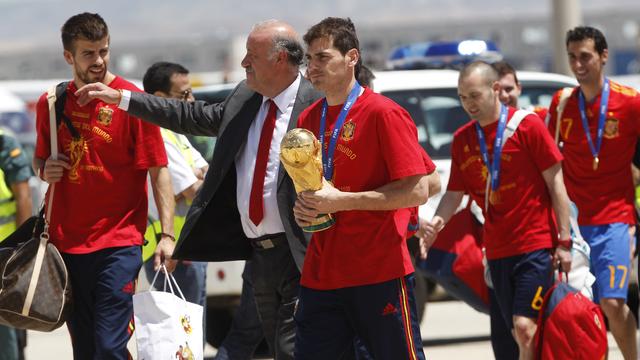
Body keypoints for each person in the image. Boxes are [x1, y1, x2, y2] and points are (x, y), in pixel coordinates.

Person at [75, 20, 322, 360]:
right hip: (259, 257)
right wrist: (123, 99)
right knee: (276, 346)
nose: (243, 62)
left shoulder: (317, 105)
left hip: (302, 253)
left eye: (251, 55)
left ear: (280, 59)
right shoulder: (246, 98)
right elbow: (188, 115)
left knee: (292, 348)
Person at [32, 13, 175, 359]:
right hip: (65, 247)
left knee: (109, 346)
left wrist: (167, 235)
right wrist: (44, 169)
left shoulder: (132, 101)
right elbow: (38, 161)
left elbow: (159, 170)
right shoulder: (51, 103)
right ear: (69, 56)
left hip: (119, 244)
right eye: (88, 53)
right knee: (85, 349)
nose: (98, 61)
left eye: (103, 51)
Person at [293, 17, 433, 359]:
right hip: (321, 273)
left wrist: (340, 202)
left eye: (322, 57)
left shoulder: (384, 114)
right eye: (309, 60)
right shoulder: (308, 119)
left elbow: (418, 191)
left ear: (352, 57)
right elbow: (314, 187)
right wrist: (306, 208)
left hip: (378, 270)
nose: (313, 67)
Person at [421, 61, 572, 360]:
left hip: (536, 247)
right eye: (462, 98)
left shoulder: (527, 126)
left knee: (525, 327)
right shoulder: (464, 139)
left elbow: (557, 185)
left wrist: (565, 242)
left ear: (494, 90)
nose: (468, 104)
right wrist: (436, 223)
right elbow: (454, 194)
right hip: (497, 253)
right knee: (514, 335)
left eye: (474, 96)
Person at [547, 26, 640, 360]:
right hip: (573, 223)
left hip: (615, 219)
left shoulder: (631, 103)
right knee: (581, 309)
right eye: (572, 57)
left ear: (603, 56)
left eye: (585, 56)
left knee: (613, 303)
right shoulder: (561, 104)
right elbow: (546, 162)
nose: (577, 64)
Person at [140, 61, 210, 346]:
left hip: (190, 247)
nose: (191, 102)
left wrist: (197, 180)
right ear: (159, 99)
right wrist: (194, 182)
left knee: (189, 336)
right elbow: (196, 189)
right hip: (171, 253)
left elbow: (205, 174)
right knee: (179, 340)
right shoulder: (156, 134)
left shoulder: (175, 132)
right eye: (183, 96)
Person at [0, 128, 33, 360]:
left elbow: (24, 198)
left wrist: (21, 252)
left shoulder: (4, 143)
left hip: (4, 255)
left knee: (5, 328)